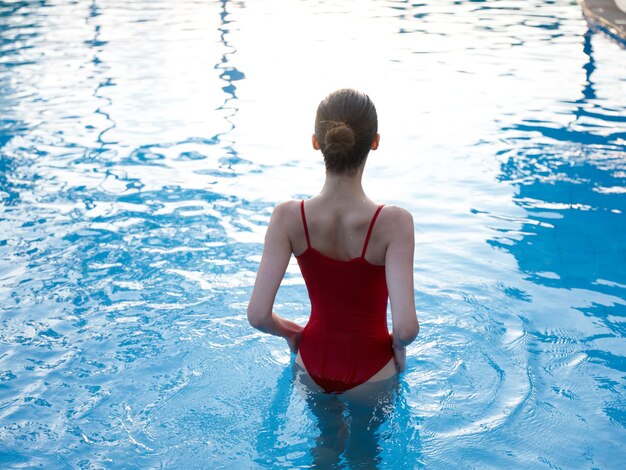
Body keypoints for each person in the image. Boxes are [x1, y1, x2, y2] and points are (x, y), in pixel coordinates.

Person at [247, 88, 419, 396]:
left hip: (310, 365)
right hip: (373, 370)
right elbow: (406, 329)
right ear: (375, 142)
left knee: (323, 444)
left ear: (316, 142)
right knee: (365, 446)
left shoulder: (288, 217)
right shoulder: (395, 223)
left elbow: (258, 315)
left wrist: (292, 334)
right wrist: (398, 347)